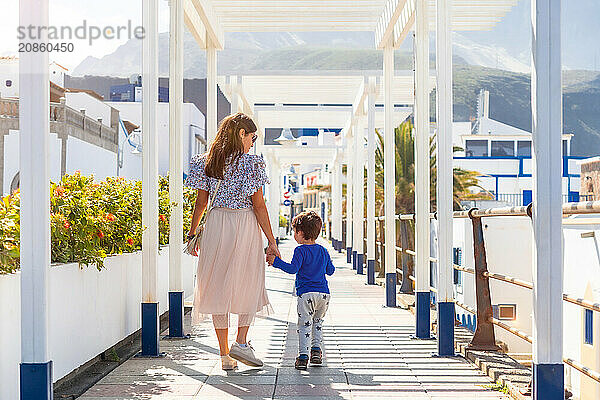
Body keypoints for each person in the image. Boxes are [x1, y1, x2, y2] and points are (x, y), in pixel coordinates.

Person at [185, 112, 280, 371]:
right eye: (252, 136)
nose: (253, 142)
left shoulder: (206, 162)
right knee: (249, 280)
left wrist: (193, 235)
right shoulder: (252, 164)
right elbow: (258, 205)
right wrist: (271, 241)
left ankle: (225, 356)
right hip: (245, 224)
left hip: (216, 224)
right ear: (241, 134)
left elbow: (201, 203)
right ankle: (241, 342)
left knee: (217, 286)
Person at [266, 211, 335, 370]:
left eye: (295, 231)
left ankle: (303, 357)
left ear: (300, 232)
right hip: (324, 295)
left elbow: (292, 269)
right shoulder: (323, 251)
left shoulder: (300, 251)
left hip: (306, 295)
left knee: (304, 325)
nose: (294, 235)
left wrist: (276, 262)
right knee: (317, 323)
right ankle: (316, 352)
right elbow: (330, 271)